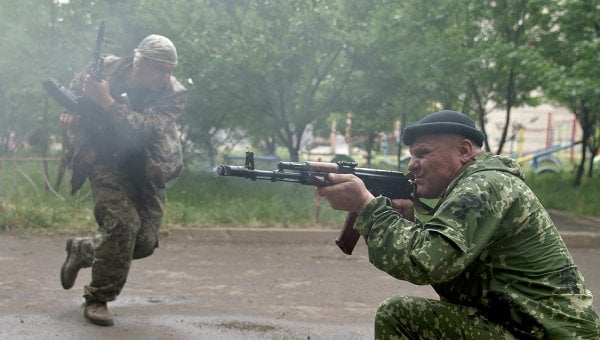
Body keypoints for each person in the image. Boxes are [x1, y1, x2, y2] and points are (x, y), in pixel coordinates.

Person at [317, 110, 600, 339]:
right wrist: (406, 220)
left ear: (464, 150)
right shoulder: (482, 182)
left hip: (543, 332)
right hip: (536, 326)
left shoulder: (482, 186)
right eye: (412, 155)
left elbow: (424, 263)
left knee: (397, 314)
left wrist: (366, 207)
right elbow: (450, 259)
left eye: (423, 153)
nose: (412, 165)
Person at [58, 34, 187, 326]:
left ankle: (81, 250)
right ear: (138, 63)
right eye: (161, 69)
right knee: (123, 228)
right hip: (104, 160)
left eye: (171, 69)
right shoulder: (104, 68)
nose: (167, 76)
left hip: (148, 167)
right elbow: (76, 93)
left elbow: (144, 131)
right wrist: (70, 112)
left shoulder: (173, 93)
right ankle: (97, 298)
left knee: (142, 243)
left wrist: (106, 101)